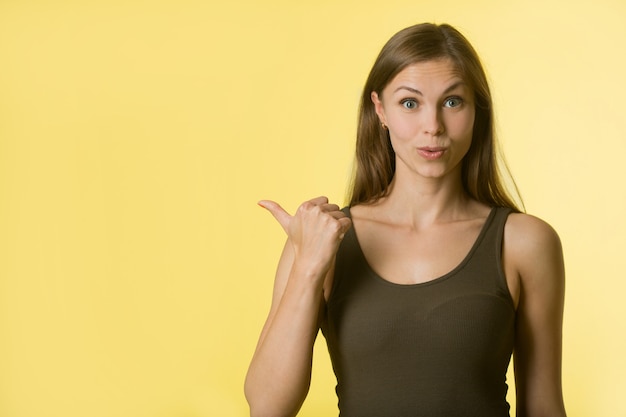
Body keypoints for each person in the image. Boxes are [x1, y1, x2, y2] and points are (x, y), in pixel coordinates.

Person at [244, 23, 566, 417]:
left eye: (452, 102)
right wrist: (309, 267)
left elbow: (544, 407)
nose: (433, 125)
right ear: (380, 110)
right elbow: (266, 407)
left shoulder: (524, 243)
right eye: (410, 103)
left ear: (477, 110)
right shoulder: (321, 239)